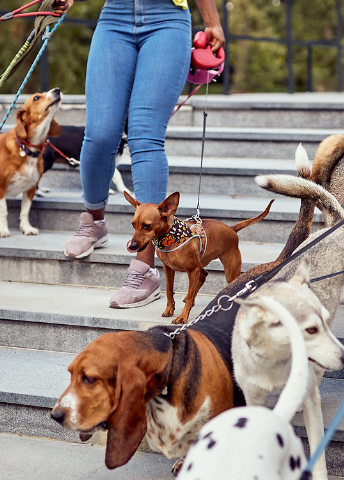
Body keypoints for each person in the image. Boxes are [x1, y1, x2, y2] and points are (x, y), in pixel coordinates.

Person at [55, 0, 224, 309]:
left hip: (167, 20)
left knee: (144, 134)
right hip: (115, 16)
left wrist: (212, 22)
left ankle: (145, 268)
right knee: (100, 134)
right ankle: (93, 220)